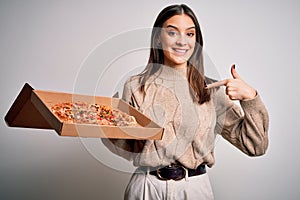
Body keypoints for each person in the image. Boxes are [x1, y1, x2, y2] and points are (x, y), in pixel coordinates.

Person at [103, 4, 269, 200]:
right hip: (147, 187)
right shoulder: (136, 86)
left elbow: (255, 146)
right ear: (158, 37)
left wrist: (250, 98)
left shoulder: (211, 91)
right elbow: (129, 149)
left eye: (190, 34)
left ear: (197, 40)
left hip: (194, 190)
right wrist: (106, 127)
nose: (182, 41)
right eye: (172, 33)